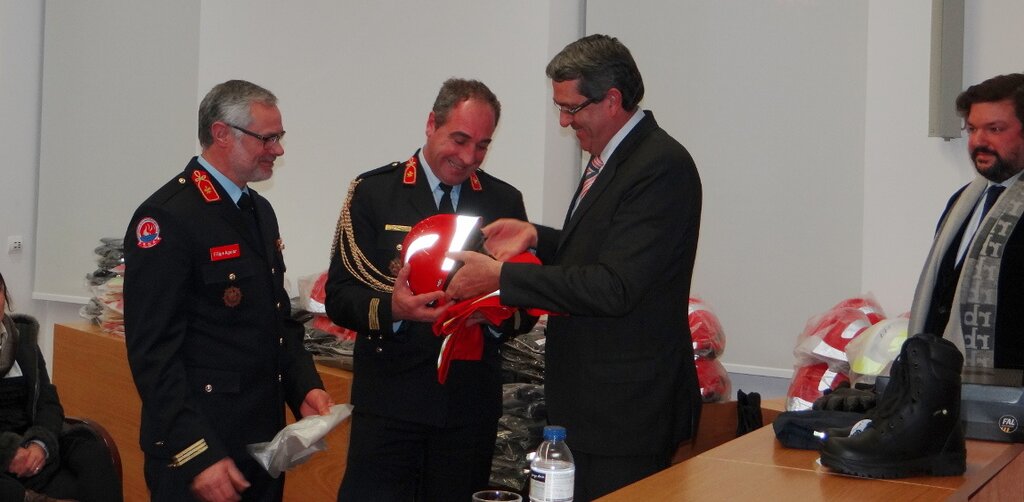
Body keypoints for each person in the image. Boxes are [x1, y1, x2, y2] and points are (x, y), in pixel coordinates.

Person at [446, 34, 703, 500]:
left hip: (625, 414)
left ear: (611, 100)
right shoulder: (612, 158)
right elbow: (605, 251)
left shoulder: (660, 165)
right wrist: (537, 238)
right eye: (559, 108)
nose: (565, 122)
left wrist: (501, 279)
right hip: (593, 407)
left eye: (572, 108)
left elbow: (615, 285)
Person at [123, 80, 332, 502]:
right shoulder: (168, 217)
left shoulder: (258, 210)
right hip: (199, 452)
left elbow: (276, 318)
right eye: (268, 138)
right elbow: (153, 354)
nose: (278, 149)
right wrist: (197, 453)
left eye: (279, 137)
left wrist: (303, 386)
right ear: (222, 134)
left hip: (260, 445)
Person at [325, 78, 530, 501]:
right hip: (390, 402)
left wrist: (491, 317)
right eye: (459, 139)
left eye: (482, 145)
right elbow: (340, 297)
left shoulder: (503, 202)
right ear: (430, 124)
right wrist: (394, 309)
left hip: (468, 408)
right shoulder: (374, 192)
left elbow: (525, 303)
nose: (469, 156)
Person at [910, 73, 1024, 374]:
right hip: (945, 390)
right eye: (972, 129)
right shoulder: (963, 201)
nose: (978, 142)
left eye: (994, 129)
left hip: (1009, 399)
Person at [0, 271, 123, 502]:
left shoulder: (22, 341)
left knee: (91, 448)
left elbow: (48, 402)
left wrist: (39, 445)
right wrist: (8, 452)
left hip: (33, 446)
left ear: (5, 296)